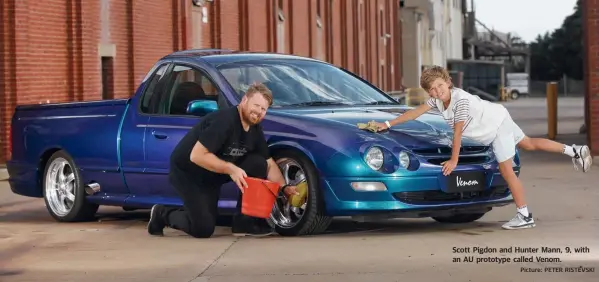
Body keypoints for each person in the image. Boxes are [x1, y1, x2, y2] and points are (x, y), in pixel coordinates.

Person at [371, 66, 593, 230]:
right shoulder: (437, 101)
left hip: (496, 127)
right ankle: (575, 150)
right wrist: (387, 124)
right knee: (529, 143)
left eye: (440, 85)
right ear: (429, 92)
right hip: (499, 116)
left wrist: (454, 160)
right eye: (432, 89)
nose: (437, 91)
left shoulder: (460, 101)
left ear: (448, 82)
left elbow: (457, 132)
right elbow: (415, 112)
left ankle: (524, 216)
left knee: (507, 171)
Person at [147, 83, 299, 238]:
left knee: (258, 163)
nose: (259, 112)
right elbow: (197, 156)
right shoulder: (224, 121)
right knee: (203, 228)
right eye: (257, 105)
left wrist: (285, 188)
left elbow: (269, 164)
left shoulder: (255, 130)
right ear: (244, 100)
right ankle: (161, 213)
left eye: (263, 109)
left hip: (214, 172)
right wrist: (231, 169)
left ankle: (244, 223)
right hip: (189, 173)